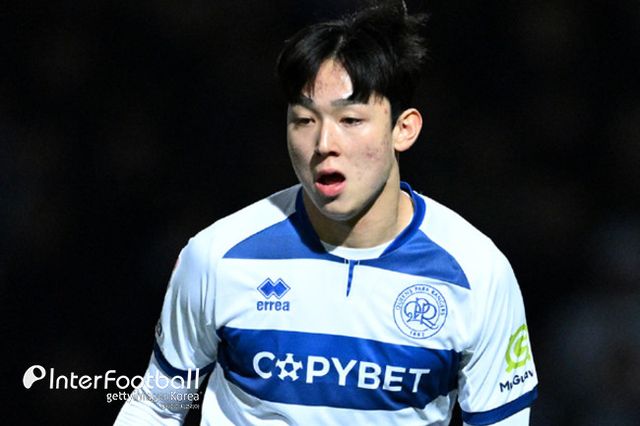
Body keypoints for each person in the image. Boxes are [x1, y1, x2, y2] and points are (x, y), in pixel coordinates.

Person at [115, 2, 538, 425]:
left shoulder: (477, 273)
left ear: (403, 129)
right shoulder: (218, 256)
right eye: (304, 120)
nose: (323, 144)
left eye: (350, 119)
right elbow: (157, 406)